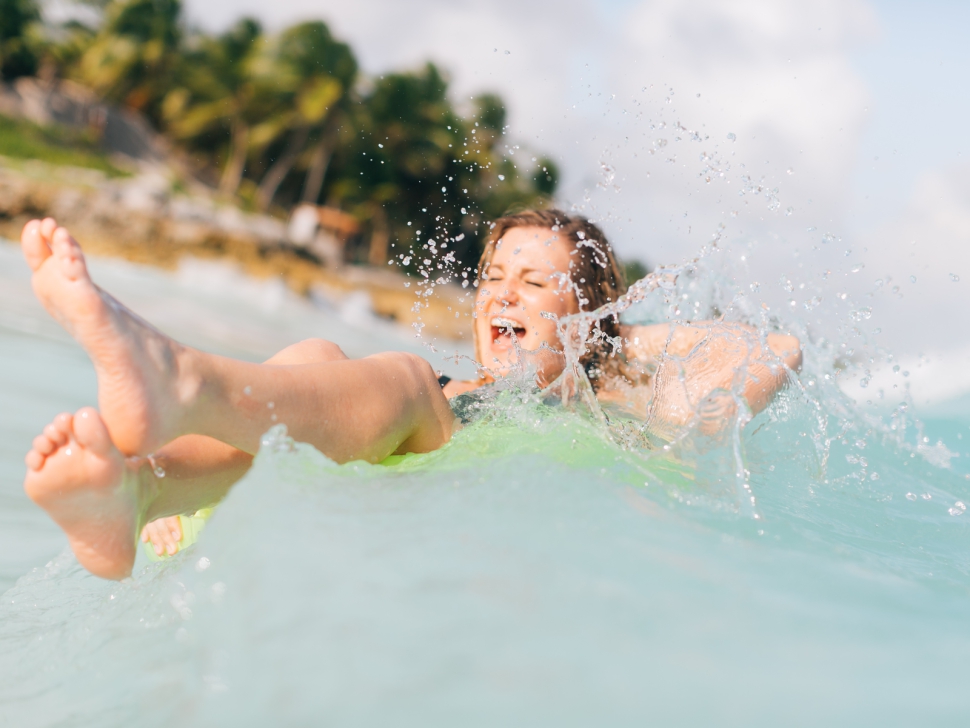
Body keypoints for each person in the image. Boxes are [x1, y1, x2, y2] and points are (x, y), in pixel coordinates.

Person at [21, 210, 801, 580]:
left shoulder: (616, 410)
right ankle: (139, 491)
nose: (502, 299)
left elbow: (775, 349)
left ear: (586, 316)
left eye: (534, 285)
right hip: (367, 472)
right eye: (492, 280)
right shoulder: (446, 389)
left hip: (438, 498)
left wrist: (601, 336)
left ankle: (180, 386)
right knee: (319, 357)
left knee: (397, 378)